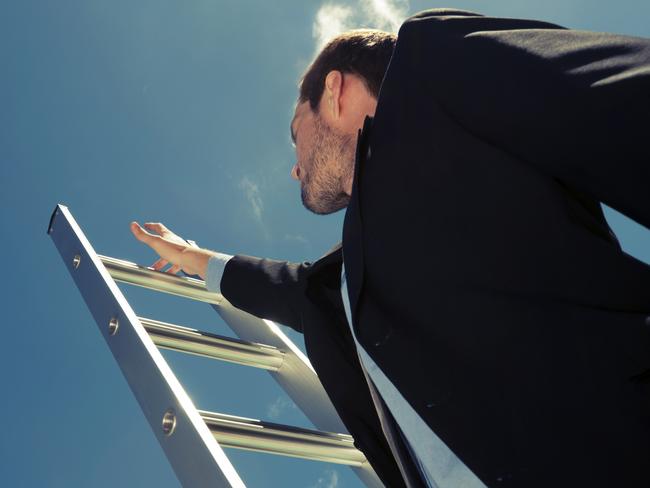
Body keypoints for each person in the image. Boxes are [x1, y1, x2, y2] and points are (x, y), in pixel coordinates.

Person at [131, 8, 650, 487]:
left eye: (296, 132)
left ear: (334, 92)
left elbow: (625, 97)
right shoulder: (345, 285)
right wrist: (191, 257)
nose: (294, 165)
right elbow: (286, 289)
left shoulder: (433, 69)